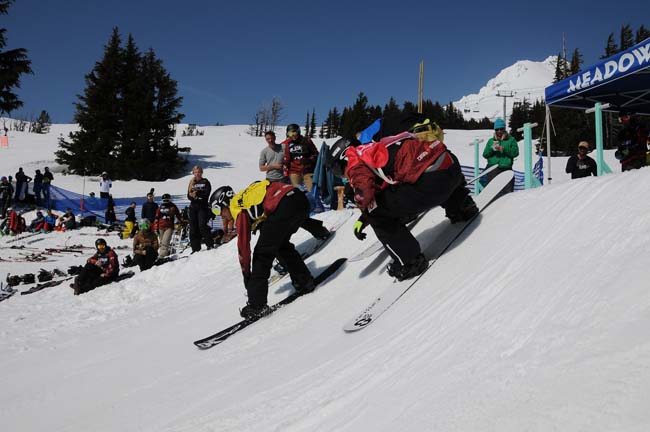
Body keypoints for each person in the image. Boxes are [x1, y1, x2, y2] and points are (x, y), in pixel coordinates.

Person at [327, 130, 477, 281]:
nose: (342, 175)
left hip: (431, 183)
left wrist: (366, 212)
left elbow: (365, 191)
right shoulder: (381, 144)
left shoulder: (355, 157)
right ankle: (462, 207)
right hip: (451, 166)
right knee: (422, 170)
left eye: (337, 170)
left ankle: (410, 261)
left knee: (376, 212)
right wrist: (364, 218)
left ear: (342, 158)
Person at [210, 181, 316, 319]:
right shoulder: (247, 195)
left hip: (284, 205)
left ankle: (257, 305)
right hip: (299, 199)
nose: (220, 216)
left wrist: (247, 277)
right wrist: (320, 231)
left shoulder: (236, 206)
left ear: (225, 202)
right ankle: (304, 280)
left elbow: (243, 247)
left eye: (217, 210)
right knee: (280, 245)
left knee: (261, 255)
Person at [481, 118, 519, 192]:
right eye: (497, 129)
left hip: (506, 169)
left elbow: (515, 153)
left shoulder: (511, 140)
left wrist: (504, 149)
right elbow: (485, 154)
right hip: (493, 169)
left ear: (504, 129)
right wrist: (491, 149)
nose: (499, 131)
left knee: (508, 192)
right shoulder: (491, 141)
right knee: (492, 192)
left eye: (501, 129)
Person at [282, 123, 319, 192]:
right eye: (290, 133)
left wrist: (309, 160)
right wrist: (284, 172)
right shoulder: (286, 144)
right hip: (294, 171)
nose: (293, 135)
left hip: (308, 169)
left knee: (312, 191)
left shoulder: (306, 140)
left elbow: (316, 154)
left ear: (298, 131)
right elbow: (285, 159)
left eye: (294, 132)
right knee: (296, 191)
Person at [187, 165, 213, 253]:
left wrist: (197, 195)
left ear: (201, 172)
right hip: (193, 207)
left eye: (199, 172)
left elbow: (206, 194)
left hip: (203, 207)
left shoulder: (205, 182)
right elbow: (188, 195)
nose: (197, 174)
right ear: (193, 173)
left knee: (202, 225)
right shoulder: (191, 182)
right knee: (193, 228)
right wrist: (192, 196)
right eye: (195, 172)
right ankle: (195, 248)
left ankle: (210, 244)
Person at [154, 193, 182, 258]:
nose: (165, 202)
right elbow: (156, 218)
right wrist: (156, 228)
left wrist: (182, 221)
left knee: (165, 242)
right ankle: (166, 254)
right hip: (160, 227)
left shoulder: (173, 206)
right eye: (164, 200)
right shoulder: (160, 207)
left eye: (167, 200)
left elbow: (178, 215)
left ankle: (161, 256)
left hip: (169, 227)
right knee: (161, 242)